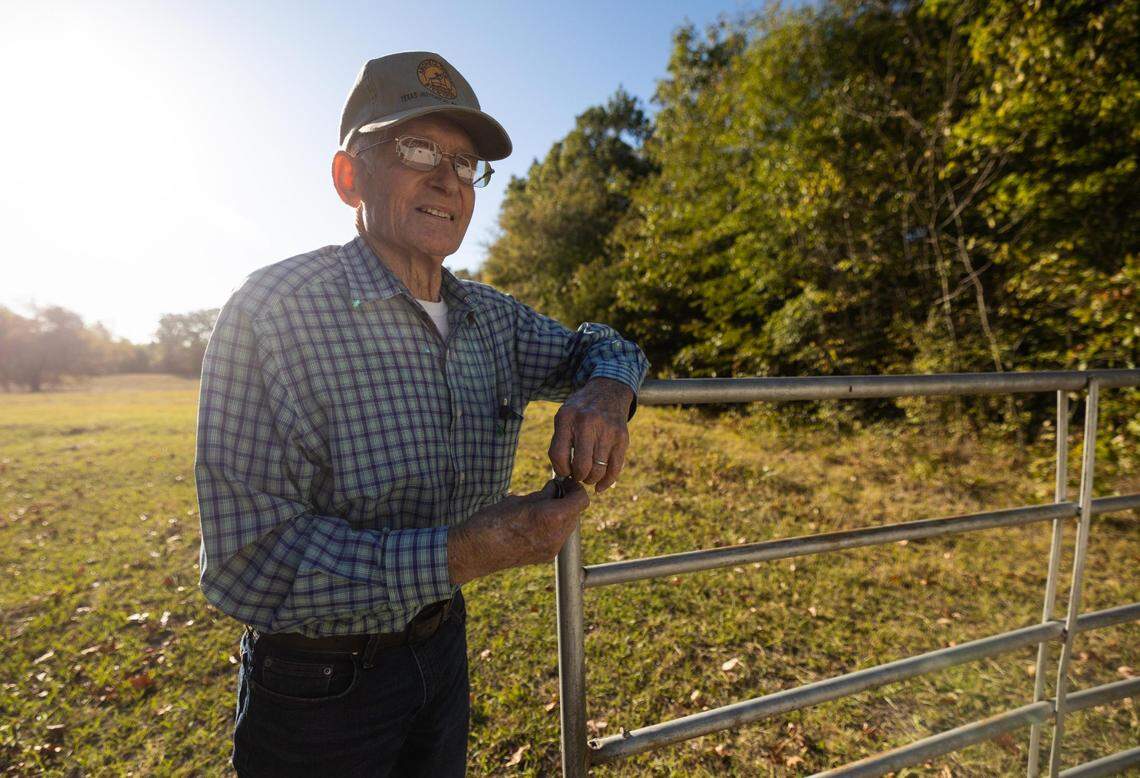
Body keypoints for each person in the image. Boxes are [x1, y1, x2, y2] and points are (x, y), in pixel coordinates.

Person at [194, 51, 649, 776]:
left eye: (466, 163)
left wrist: (606, 391)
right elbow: (248, 564)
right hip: (316, 687)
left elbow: (603, 346)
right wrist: (468, 550)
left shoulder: (491, 318)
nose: (447, 179)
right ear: (350, 177)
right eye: (417, 149)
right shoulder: (273, 312)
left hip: (442, 644)